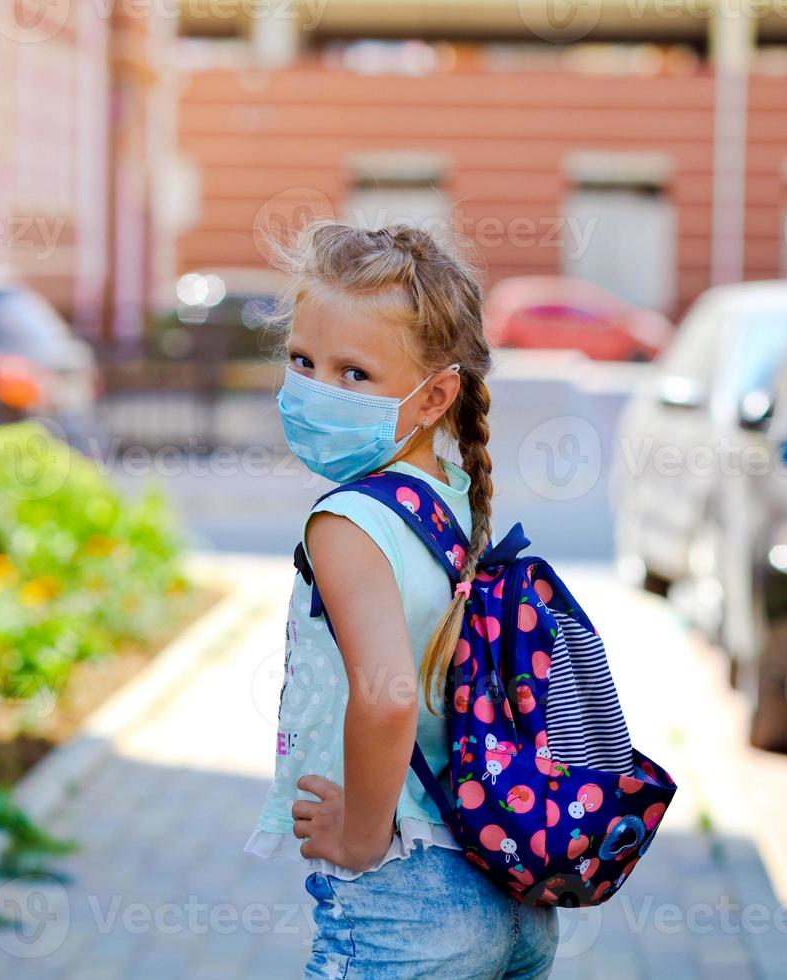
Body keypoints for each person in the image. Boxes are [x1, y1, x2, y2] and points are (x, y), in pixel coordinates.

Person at [244, 220, 559, 978]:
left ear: (434, 396)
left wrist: (360, 834)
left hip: (406, 897)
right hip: (506, 893)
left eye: (355, 374)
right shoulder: (449, 503)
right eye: (302, 360)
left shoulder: (348, 522)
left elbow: (386, 695)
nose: (317, 389)